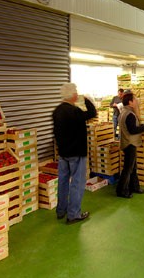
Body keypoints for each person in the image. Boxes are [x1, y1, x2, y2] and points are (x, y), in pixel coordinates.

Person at [53, 83, 97, 224]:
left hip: (63, 153)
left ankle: (61, 210)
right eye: (76, 92)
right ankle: (73, 214)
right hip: (77, 153)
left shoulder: (57, 111)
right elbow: (92, 113)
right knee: (77, 184)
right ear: (73, 95)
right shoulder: (74, 111)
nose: (77, 94)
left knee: (63, 181)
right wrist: (86, 99)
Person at [117, 93, 144, 198]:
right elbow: (133, 130)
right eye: (135, 100)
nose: (136, 101)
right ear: (130, 102)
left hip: (126, 142)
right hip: (130, 143)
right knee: (128, 168)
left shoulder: (123, 112)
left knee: (133, 167)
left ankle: (134, 186)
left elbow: (131, 127)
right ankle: (121, 190)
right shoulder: (130, 114)